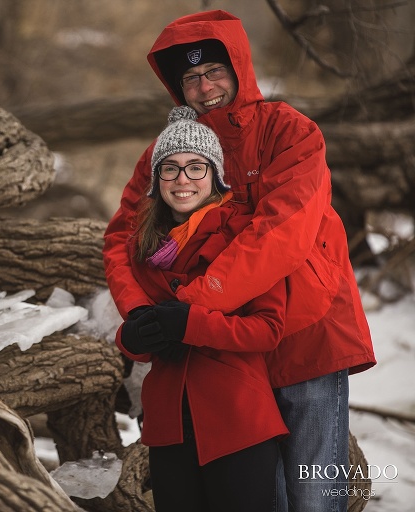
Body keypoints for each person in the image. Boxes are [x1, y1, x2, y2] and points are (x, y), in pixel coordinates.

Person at [103, 10, 376, 512]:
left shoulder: (289, 132)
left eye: (214, 72)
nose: (204, 87)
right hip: (224, 352)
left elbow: (280, 233)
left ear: (239, 67)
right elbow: (123, 236)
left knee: (315, 496)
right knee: (256, 498)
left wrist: (194, 306)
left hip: (305, 333)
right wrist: (141, 313)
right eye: (189, 77)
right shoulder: (167, 153)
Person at [116, 105, 288, 512]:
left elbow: (267, 329)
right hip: (168, 425)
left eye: (196, 167)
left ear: (215, 176)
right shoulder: (143, 245)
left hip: (237, 420)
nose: (183, 180)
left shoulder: (246, 234)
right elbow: (141, 330)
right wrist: (133, 335)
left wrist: (192, 323)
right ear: (156, 180)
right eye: (170, 169)